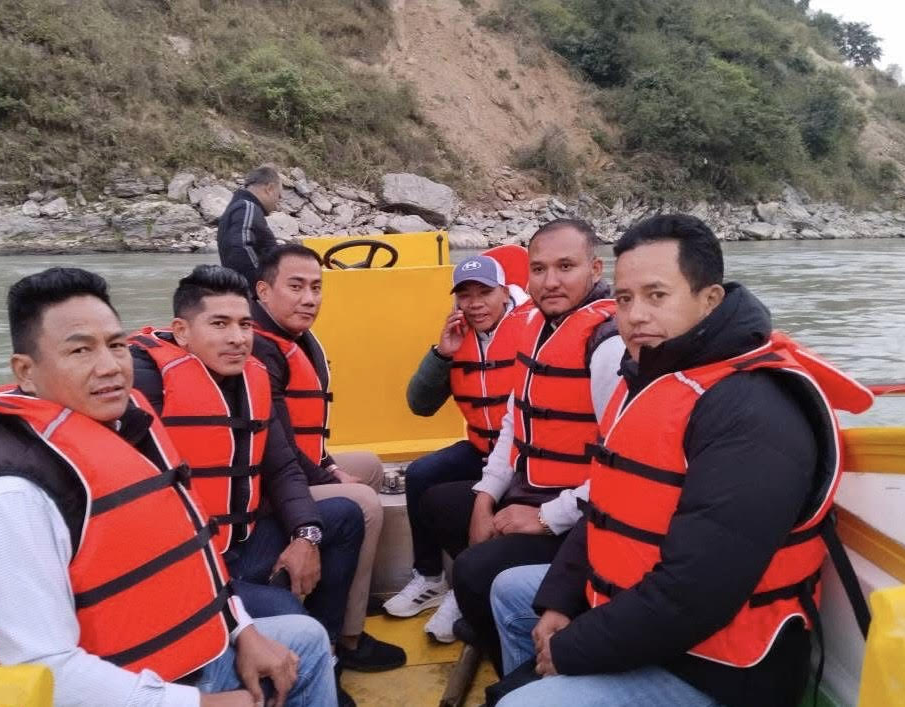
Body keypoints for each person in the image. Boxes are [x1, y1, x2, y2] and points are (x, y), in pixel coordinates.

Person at [489, 214, 873, 707]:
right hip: (642, 612)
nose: (635, 316)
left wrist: (569, 649)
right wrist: (560, 601)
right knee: (510, 592)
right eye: (624, 299)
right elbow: (607, 507)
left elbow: (697, 593)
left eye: (656, 295)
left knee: (520, 704)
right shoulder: (653, 376)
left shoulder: (754, 411)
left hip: (719, 670)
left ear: (709, 300)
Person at [0, 267, 336, 707]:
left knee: (304, 639)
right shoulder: (9, 497)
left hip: (179, 653)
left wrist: (242, 631)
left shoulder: (125, 428)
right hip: (119, 686)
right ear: (26, 371)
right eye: (80, 350)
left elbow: (196, 553)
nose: (110, 367)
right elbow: (45, 672)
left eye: (115, 345)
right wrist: (203, 704)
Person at [129, 264, 374, 706]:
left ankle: (329, 658)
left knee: (343, 516)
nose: (238, 338)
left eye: (244, 325)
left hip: (243, 542)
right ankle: (303, 664)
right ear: (182, 331)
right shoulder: (145, 383)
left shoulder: (251, 377)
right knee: (290, 617)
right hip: (196, 564)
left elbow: (282, 468)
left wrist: (305, 535)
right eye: (219, 324)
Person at [421, 219, 625, 665]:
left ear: (595, 268)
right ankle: (489, 622)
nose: (550, 282)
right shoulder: (536, 326)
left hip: (584, 515)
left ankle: (514, 667)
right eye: (539, 269)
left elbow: (624, 468)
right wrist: (485, 497)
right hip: (533, 486)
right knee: (442, 503)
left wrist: (546, 518)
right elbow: (515, 423)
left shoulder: (607, 345)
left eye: (565, 267)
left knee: (473, 570)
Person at [251, 243, 406, 673]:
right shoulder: (260, 349)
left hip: (294, 466)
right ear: (263, 291)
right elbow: (278, 451)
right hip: (268, 486)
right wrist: (331, 477)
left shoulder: (292, 338)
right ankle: (347, 637)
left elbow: (303, 433)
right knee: (365, 503)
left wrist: (331, 466)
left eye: (316, 288)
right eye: (296, 287)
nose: (309, 299)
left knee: (368, 467)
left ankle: (350, 587)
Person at [383, 254, 530, 642]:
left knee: (451, 501)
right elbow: (420, 404)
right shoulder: (457, 336)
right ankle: (430, 577)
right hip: (480, 448)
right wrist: (442, 354)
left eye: (485, 292)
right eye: (465, 295)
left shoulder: (532, 327)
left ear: (505, 293)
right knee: (421, 474)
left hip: (522, 458)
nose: (475, 303)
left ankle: (466, 586)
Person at [218, 164, 283, 295]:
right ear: (269, 189)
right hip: (252, 296)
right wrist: (263, 289)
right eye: (279, 196)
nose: (278, 202)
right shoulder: (247, 207)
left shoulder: (239, 207)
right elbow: (241, 247)